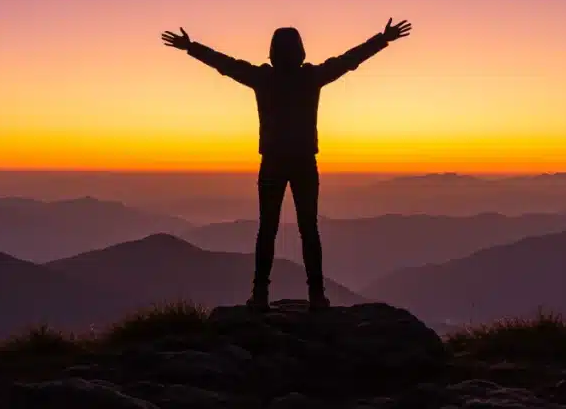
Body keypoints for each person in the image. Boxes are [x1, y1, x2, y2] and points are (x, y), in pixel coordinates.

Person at [161, 19, 412, 310]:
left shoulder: (263, 79)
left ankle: (260, 296)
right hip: (304, 162)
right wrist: (382, 39)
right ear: (301, 52)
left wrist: (191, 47)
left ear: (272, 52)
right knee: (309, 229)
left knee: (267, 229)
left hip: (272, 163)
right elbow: (348, 61)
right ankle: (316, 296)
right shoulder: (310, 78)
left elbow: (225, 64)